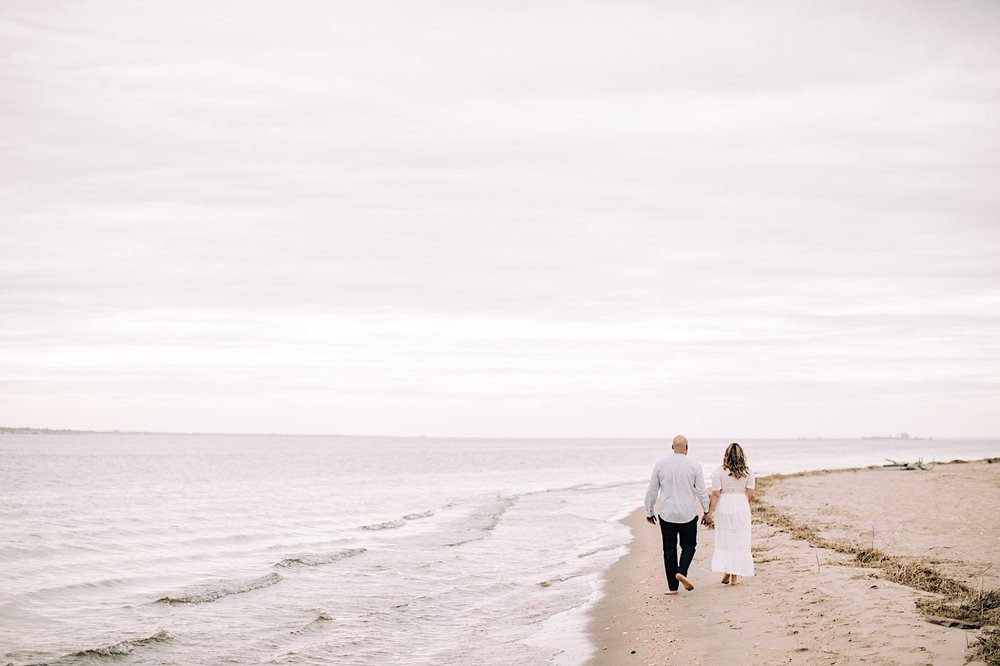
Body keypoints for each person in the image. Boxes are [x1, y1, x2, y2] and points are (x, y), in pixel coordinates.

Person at [644, 434, 710, 595]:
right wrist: (707, 511)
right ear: (687, 448)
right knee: (689, 546)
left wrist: (649, 510)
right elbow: (701, 491)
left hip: (667, 514)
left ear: (672, 447)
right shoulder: (694, 465)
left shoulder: (660, 464)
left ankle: (673, 588)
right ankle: (682, 571)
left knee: (669, 549)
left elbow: (652, 490)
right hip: (687, 513)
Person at [705, 442, 755, 585]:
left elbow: (715, 494)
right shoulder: (748, 472)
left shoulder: (718, 472)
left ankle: (728, 569)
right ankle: (734, 577)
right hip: (741, 504)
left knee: (726, 538)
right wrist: (743, 504)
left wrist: (709, 513)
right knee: (740, 538)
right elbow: (751, 494)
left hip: (724, 504)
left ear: (726, 455)